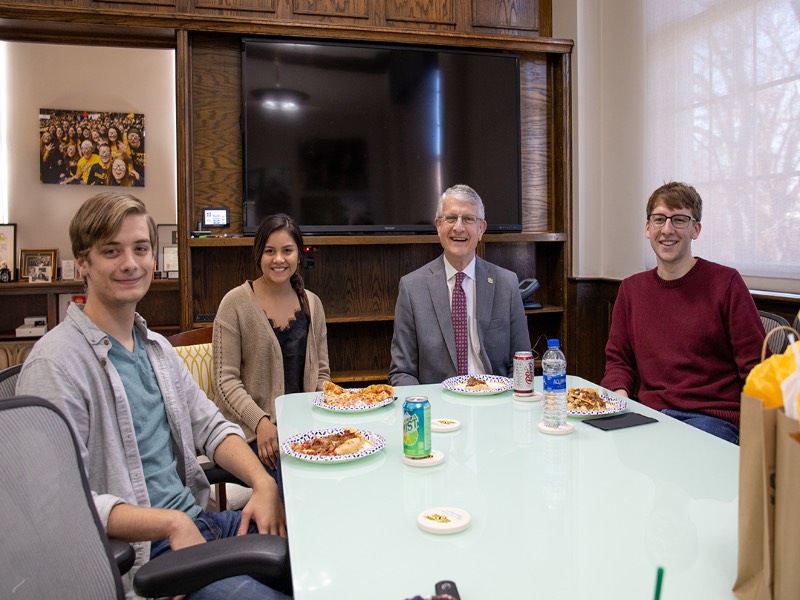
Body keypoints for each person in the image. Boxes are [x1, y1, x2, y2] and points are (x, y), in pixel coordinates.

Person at [16, 192, 289, 600]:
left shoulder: (156, 349)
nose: (130, 263)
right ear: (84, 263)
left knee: (330, 555)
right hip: (148, 556)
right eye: (112, 250)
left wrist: (262, 485)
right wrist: (169, 524)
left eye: (140, 248)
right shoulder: (56, 365)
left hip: (202, 525)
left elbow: (212, 428)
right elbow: (56, 503)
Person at [601, 181, 764, 444]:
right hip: (649, 415)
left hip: (711, 420)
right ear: (647, 228)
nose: (667, 229)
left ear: (695, 229)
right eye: (659, 219)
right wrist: (619, 397)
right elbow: (619, 361)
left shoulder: (726, 283)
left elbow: (756, 368)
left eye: (679, 220)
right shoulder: (631, 290)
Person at [213, 213, 330, 486]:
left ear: (299, 255)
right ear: (258, 255)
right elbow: (225, 381)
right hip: (252, 434)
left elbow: (321, 374)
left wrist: (337, 403)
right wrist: (261, 422)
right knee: (289, 484)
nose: (279, 259)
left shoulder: (313, 304)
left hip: (304, 429)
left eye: (287, 251)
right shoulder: (235, 303)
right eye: (270, 251)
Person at [389, 184, 531, 386]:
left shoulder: (506, 284)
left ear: (481, 229)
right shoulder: (412, 288)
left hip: (494, 401)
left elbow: (522, 363)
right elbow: (402, 372)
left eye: (468, 219)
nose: (458, 227)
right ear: (438, 226)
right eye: (451, 218)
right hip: (439, 410)